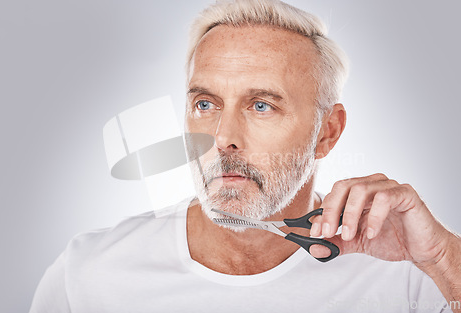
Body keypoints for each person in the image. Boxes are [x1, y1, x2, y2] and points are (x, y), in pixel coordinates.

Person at [30, 0, 461, 312]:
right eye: (206, 104)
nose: (223, 138)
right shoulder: (89, 274)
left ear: (326, 133)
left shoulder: (412, 271)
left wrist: (442, 258)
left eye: (261, 105)